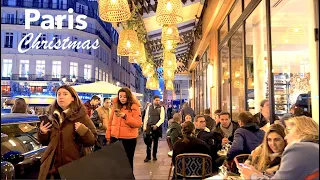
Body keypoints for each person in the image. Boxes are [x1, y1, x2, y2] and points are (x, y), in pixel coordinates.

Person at [37, 85, 97, 180]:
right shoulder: (51, 116)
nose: (61, 97)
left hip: (74, 167)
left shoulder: (82, 116)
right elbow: (45, 142)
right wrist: (42, 133)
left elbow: (92, 141)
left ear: (73, 98)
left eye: (65, 94)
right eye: (58, 94)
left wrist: (83, 131)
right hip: (53, 167)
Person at [239, 116, 319, 180]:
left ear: (301, 131)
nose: (286, 137)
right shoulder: (313, 148)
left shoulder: (299, 149)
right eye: (269, 140)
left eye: (288, 131)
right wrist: (258, 174)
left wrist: (251, 176)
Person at [106, 87, 142, 170]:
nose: (122, 98)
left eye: (124, 96)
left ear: (128, 97)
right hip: (115, 138)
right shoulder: (116, 106)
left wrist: (125, 116)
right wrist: (108, 136)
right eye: (120, 96)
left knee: (127, 163)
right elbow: (110, 121)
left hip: (128, 139)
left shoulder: (134, 107)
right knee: (115, 163)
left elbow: (138, 123)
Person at [143, 95, 165, 162]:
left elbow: (162, 119)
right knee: (148, 142)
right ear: (153, 100)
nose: (158, 101)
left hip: (157, 128)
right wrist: (144, 126)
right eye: (156, 100)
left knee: (155, 142)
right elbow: (146, 117)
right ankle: (148, 156)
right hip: (149, 126)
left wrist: (157, 125)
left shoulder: (161, 108)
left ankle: (154, 156)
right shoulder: (149, 107)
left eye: (158, 100)